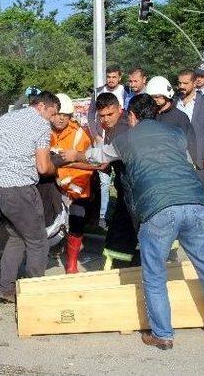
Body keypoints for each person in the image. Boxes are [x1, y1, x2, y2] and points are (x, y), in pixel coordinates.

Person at [62, 94, 204, 349]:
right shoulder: (175, 133)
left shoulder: (126, 139)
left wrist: (74, 153)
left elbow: (98, 156)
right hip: (197, 205)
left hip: (159, 209)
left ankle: (162, 334)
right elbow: (185, 163)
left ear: (132, 116)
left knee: (154, 274)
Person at [0, 90, 60, 303]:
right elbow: (42, 166)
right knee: (38, 240)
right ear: (42, 107)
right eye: (53, 113)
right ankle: (35, 293)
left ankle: (6, 288)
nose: (53, 118)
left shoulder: (3, 120)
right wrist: (55, 168)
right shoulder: (40, 125)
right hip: (21, 188)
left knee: (17, 236)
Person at [50, 93, 98, 273]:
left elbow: (89, 165)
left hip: (77, 188)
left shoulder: (80, 135)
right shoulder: (44, 132)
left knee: (77, 222)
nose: (61, 118)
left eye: (65, 115)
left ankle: (71, 263)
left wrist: (68, 183)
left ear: (70, 117)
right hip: (53, 185)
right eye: (57, 114)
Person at [93, 92, 138, 269]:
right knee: (120, 230)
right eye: (102, 116)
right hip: (123, 186)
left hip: (132, 188)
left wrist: (74, 160)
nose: (105, 119)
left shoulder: (122, 129)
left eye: (109, 114)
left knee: (122, 232)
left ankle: (121, 269)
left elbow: (104, 164)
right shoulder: (112, 128)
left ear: (120, 109)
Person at [87, 66, 126, 229]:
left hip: (118, 140)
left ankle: (121, 213)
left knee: (120, 177)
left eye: (114, 77)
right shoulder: (97, 92)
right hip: (101, 139)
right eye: (108, 77)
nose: (111, 79)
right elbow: (90, 115)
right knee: (104, 179)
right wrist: (96, 135)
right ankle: (102, 215)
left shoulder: (126, 91)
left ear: (119, 77)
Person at [176, 69, 204, 195]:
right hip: (178, 156)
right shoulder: (174, 103)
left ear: (194, 83)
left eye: (185, 83)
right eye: (180, 83)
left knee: (203, 192)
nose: (181, 86)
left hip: (199, 157)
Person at [146, 75, 198, 165]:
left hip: (175, 163)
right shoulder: (150, 115)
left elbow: (190, 142)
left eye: (158, 96)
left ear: (166, 94)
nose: (155, 100)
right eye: (152, 97)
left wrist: (190, 164)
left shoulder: (180, 117)